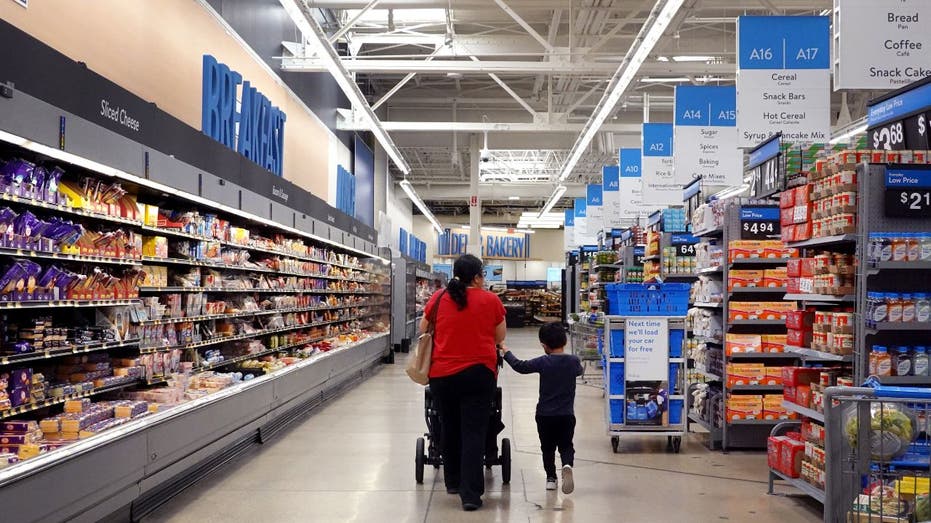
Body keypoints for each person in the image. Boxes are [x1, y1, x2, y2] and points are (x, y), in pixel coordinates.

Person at [421, 254, 506, 511]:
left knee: (449, 426)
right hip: (479, 374)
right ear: (477, 277)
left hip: (442, 375)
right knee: (473, 432)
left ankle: (453, 482)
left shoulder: (438, 298)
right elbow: (499, 336)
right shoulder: (491, 300)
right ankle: (470, 495)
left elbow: (424, 329)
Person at [500, 322, 582, 494]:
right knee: (566, 445)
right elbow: (579, 371)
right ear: (565, 341)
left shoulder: (543, 362)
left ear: (544, 345)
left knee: (547, 448)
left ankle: (551, 478)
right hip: (566, 415)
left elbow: (520, 366)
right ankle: (567, 465)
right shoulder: (573, 361)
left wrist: (506, 352)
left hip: (545, 415)